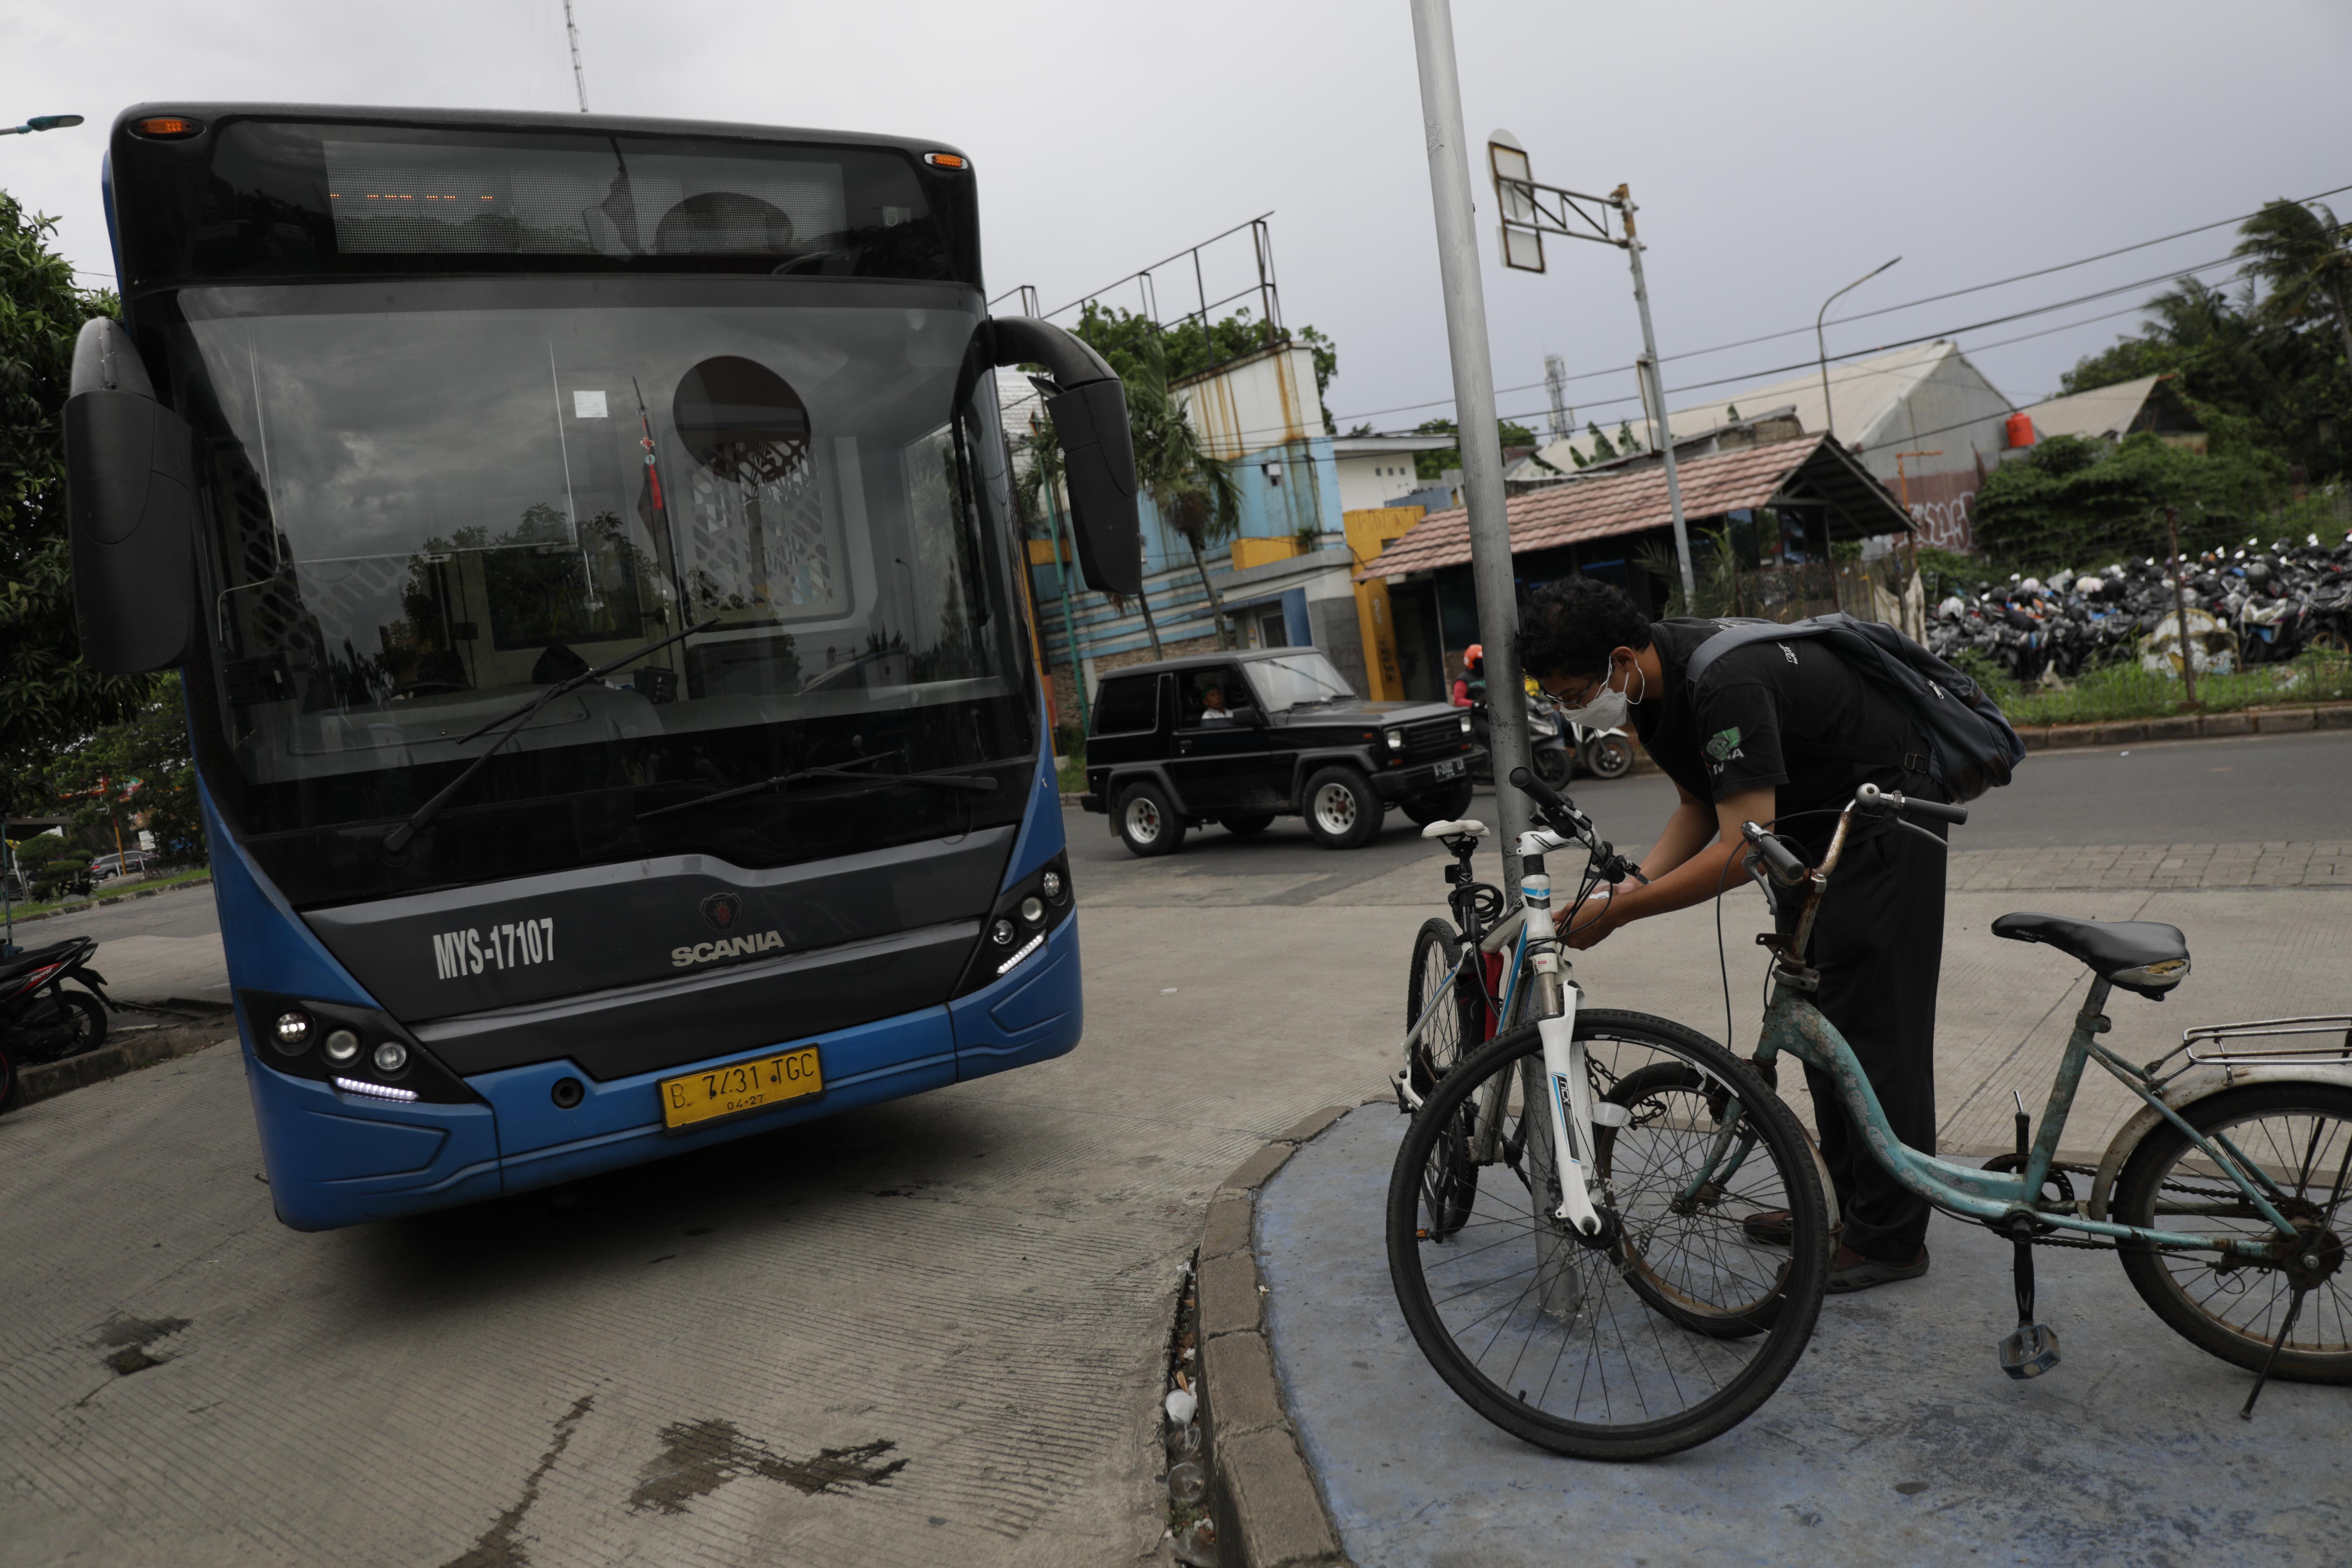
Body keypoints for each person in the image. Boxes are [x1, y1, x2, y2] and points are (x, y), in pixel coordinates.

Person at [1513, 575, 1951, 1294]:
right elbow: (1699, 803)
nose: (1572, 711)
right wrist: (1633, 885)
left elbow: (1743, 846)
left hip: (1883, 820)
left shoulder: (1725, 684)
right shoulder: (1654, 691)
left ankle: (1891, 1238)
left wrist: (1622, 911)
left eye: (1571, 694)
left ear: (1620, 658)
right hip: (1808, 830)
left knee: (1875, 1030)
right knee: (1814, 1019)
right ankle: (1843, 1205)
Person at [1449, 644, 1485, 709]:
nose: (1482, 664)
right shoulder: (1463, 680)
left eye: (1484, 661)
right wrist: (1474, 703)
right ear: (1471, 662)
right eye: (1480, 662)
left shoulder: (1488, 676)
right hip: (1476, 714)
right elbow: (1458, 701)